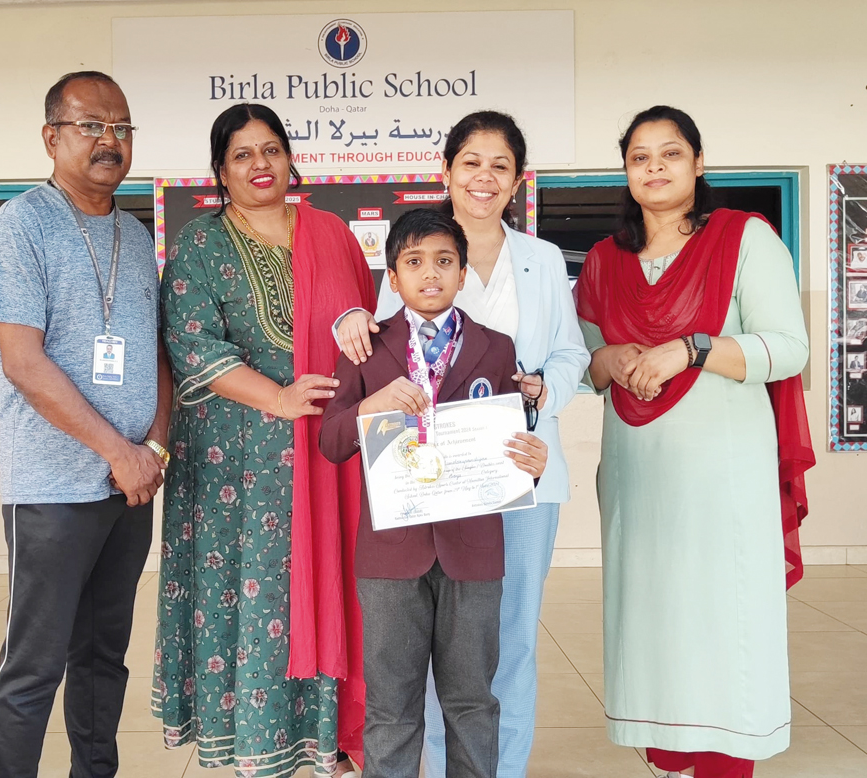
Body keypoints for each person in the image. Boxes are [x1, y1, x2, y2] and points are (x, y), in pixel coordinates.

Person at [335, 110, 589, 777]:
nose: (484, 177)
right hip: (423, 487)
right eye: (471, 162)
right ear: (446, 171)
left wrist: (540, 393)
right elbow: (371, 355)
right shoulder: (409, 260)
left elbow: (572, 356)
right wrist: (350, 316)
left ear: (516, 182)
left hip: (517, 473)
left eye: (500, 165)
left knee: (509, 645)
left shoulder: (540, 260)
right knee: (423, 655)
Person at [574, 105, 814, 778]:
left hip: (723, 476)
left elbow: (789, 348)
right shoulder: (602, 261)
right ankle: (670, 759)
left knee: (721, 616)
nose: (654, 167)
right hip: (638, 475)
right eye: (640, 157)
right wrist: (613, 357)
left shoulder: (745, 238)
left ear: (699, 163)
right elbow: (584, 364)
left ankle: (725, 762)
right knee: (653, 619)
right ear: (625, 171)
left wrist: (693, 348)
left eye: (670, 153)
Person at [151, 103, 375, 777]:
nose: (260, 165)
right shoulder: (200, 245)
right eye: (243, 155)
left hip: (329, 456)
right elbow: (191, 346)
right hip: (235, 471)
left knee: (333, 584)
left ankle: (330, 737)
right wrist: (277, 397)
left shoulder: (331, 232)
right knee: (254, 597)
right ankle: (256, 741)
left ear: (289, 158)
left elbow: (367, 323)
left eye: (271, 149)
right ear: (220, 169)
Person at [0, 71, 172, 778]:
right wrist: (116, 450)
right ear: (52, 136)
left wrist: (151, 446)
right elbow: (24, 362)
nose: (109, 141)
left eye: (121, 128)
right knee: (33, 667)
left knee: (101, 660)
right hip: (53, 491)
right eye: (92, 125)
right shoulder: (21, 224)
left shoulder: (132, 231)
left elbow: (155, 353)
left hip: (126, 491)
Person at [320, 208, 549, 778]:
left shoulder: (496, 347)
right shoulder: (367, 348)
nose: (430, 274)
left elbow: (508, 444)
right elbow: (330, 441)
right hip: (391, 554)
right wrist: (371, 406)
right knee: (392, 709)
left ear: (463, 272)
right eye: (414, 262)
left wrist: (534, 463)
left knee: (472, 703)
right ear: (391, 278)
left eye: (445, 261)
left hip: (472, 553)